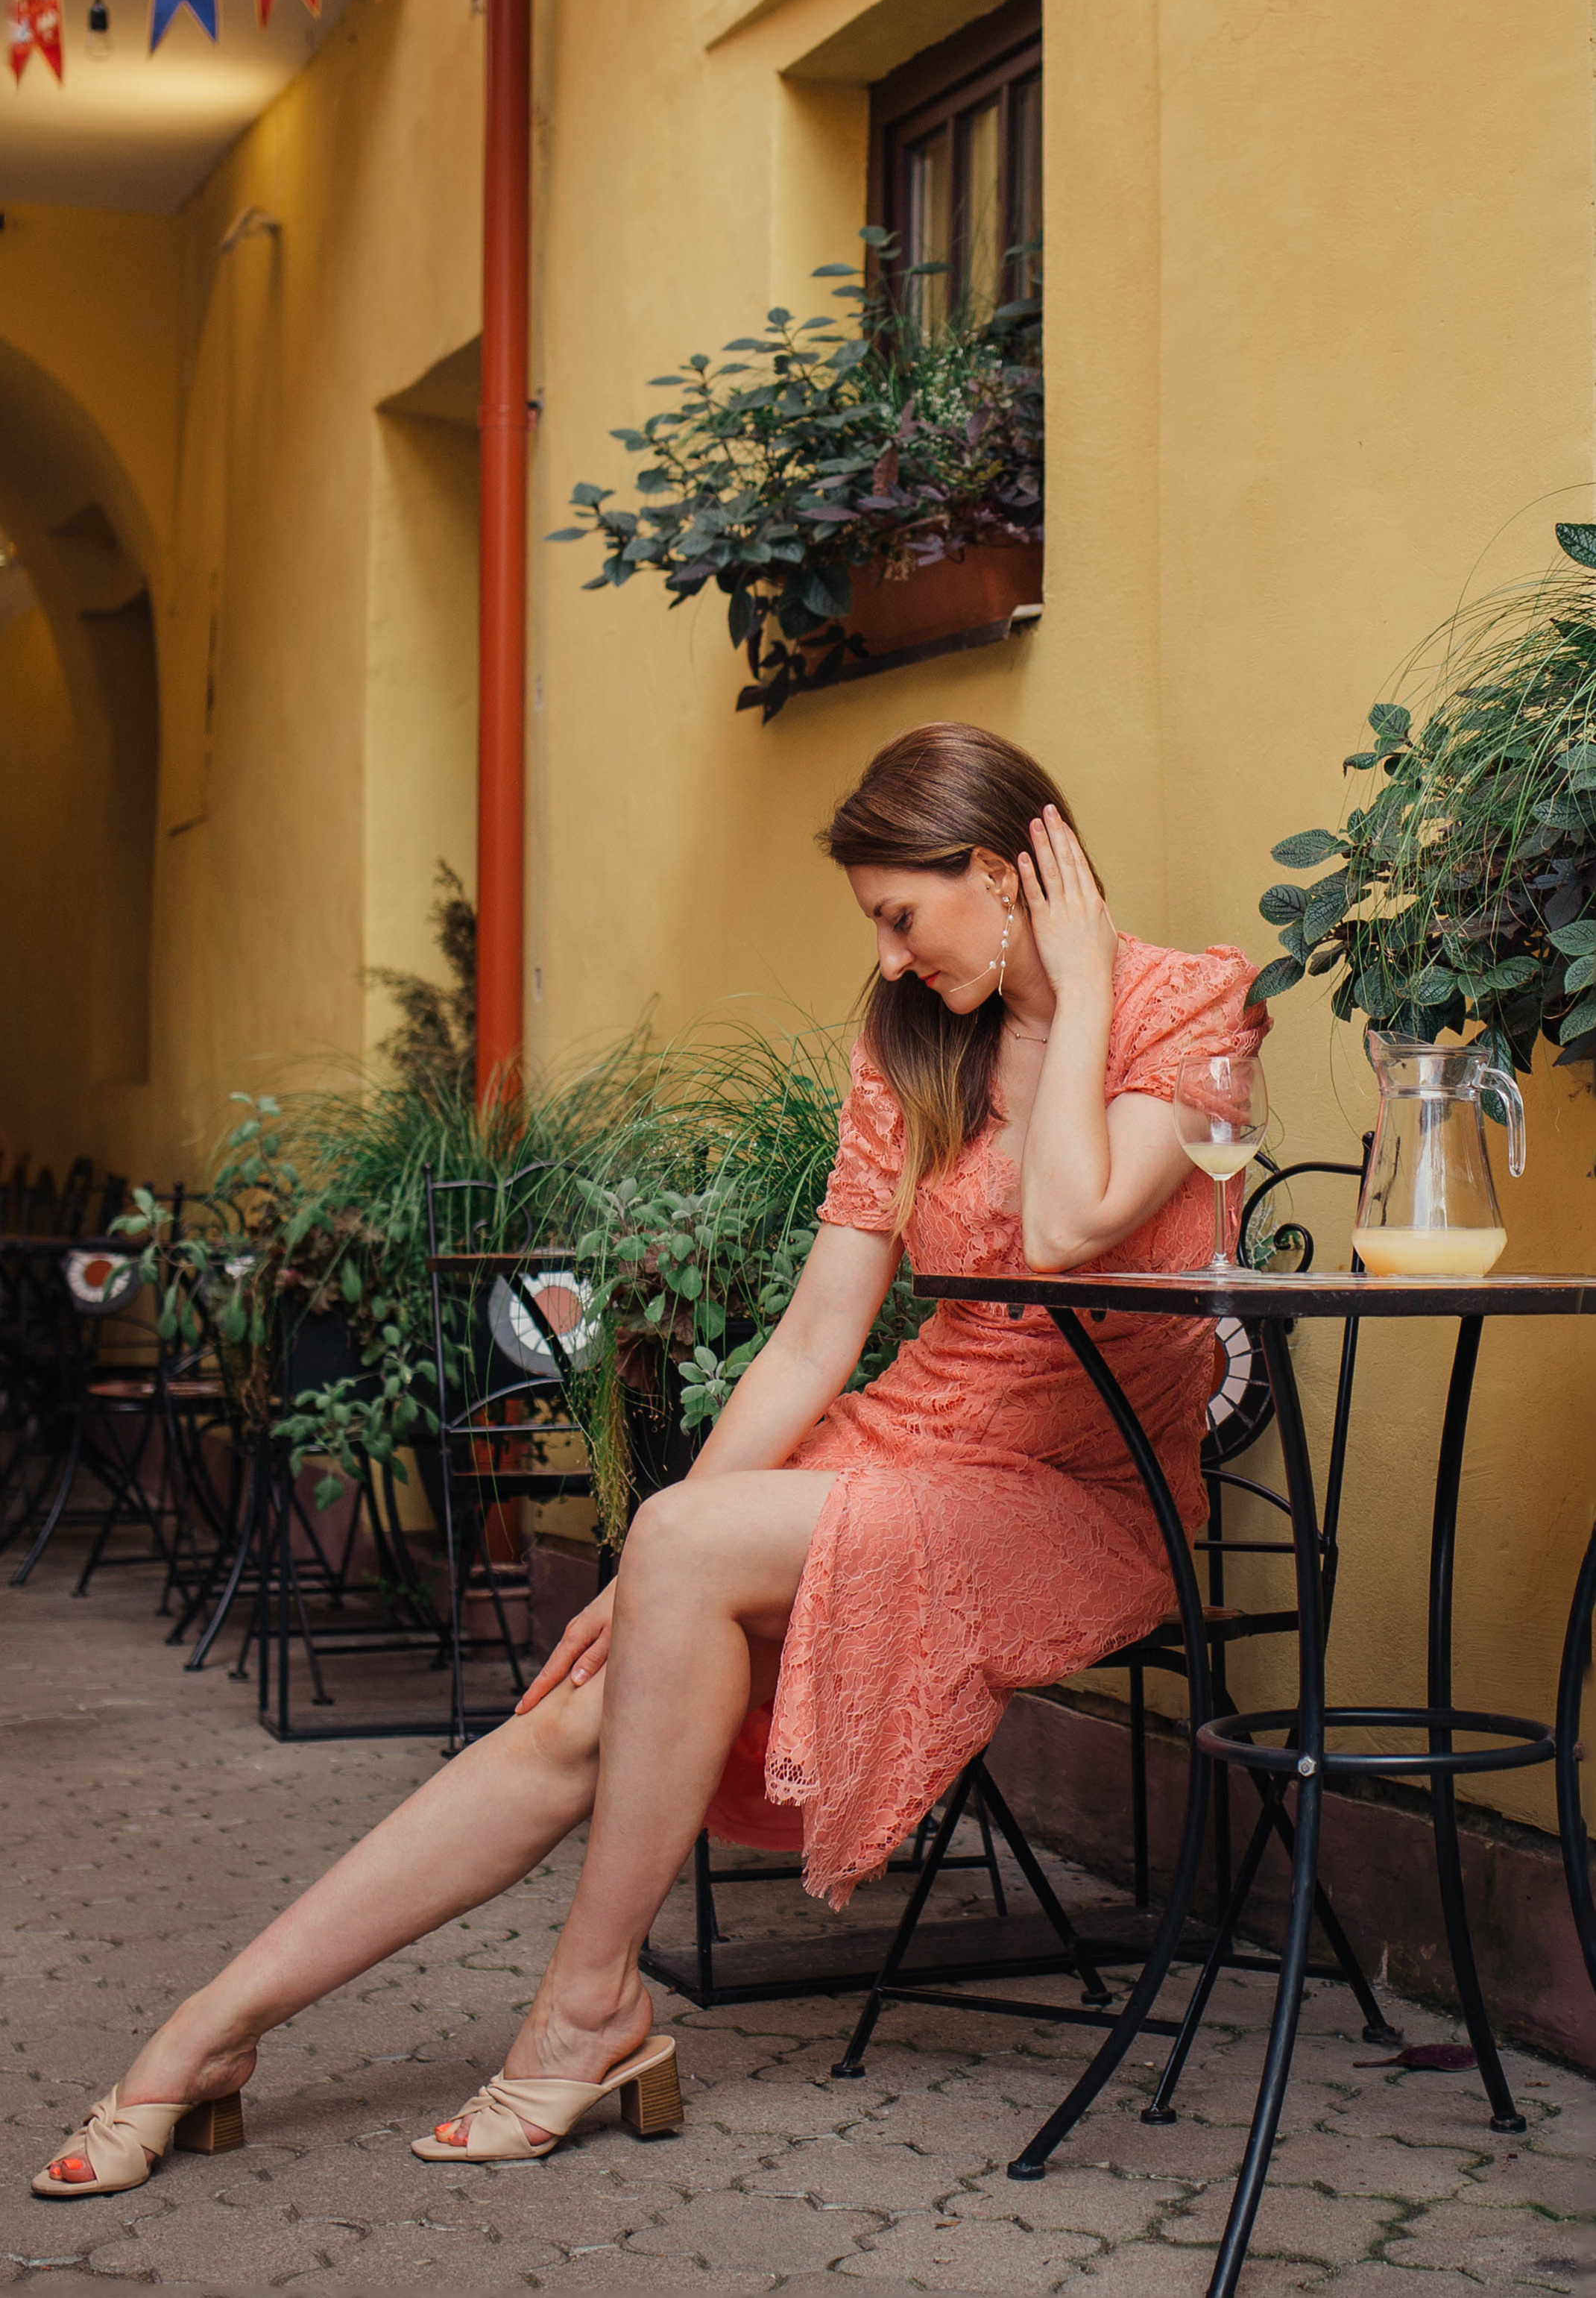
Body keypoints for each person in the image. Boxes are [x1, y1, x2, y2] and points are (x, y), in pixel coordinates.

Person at [33, 720, 1266, 2197]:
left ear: (1005, 875)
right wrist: (654, 1559)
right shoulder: (913, 1041)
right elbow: (818, 1341)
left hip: (1082, 1491)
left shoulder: (1191, 1004)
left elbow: (1072, 1225)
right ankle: (213, 2024)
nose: (883, 959)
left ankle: (582, 2005)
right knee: (582, 1698)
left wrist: (1067, 1004)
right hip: (913, 1444)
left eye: (899, 914)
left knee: (667, 1557)